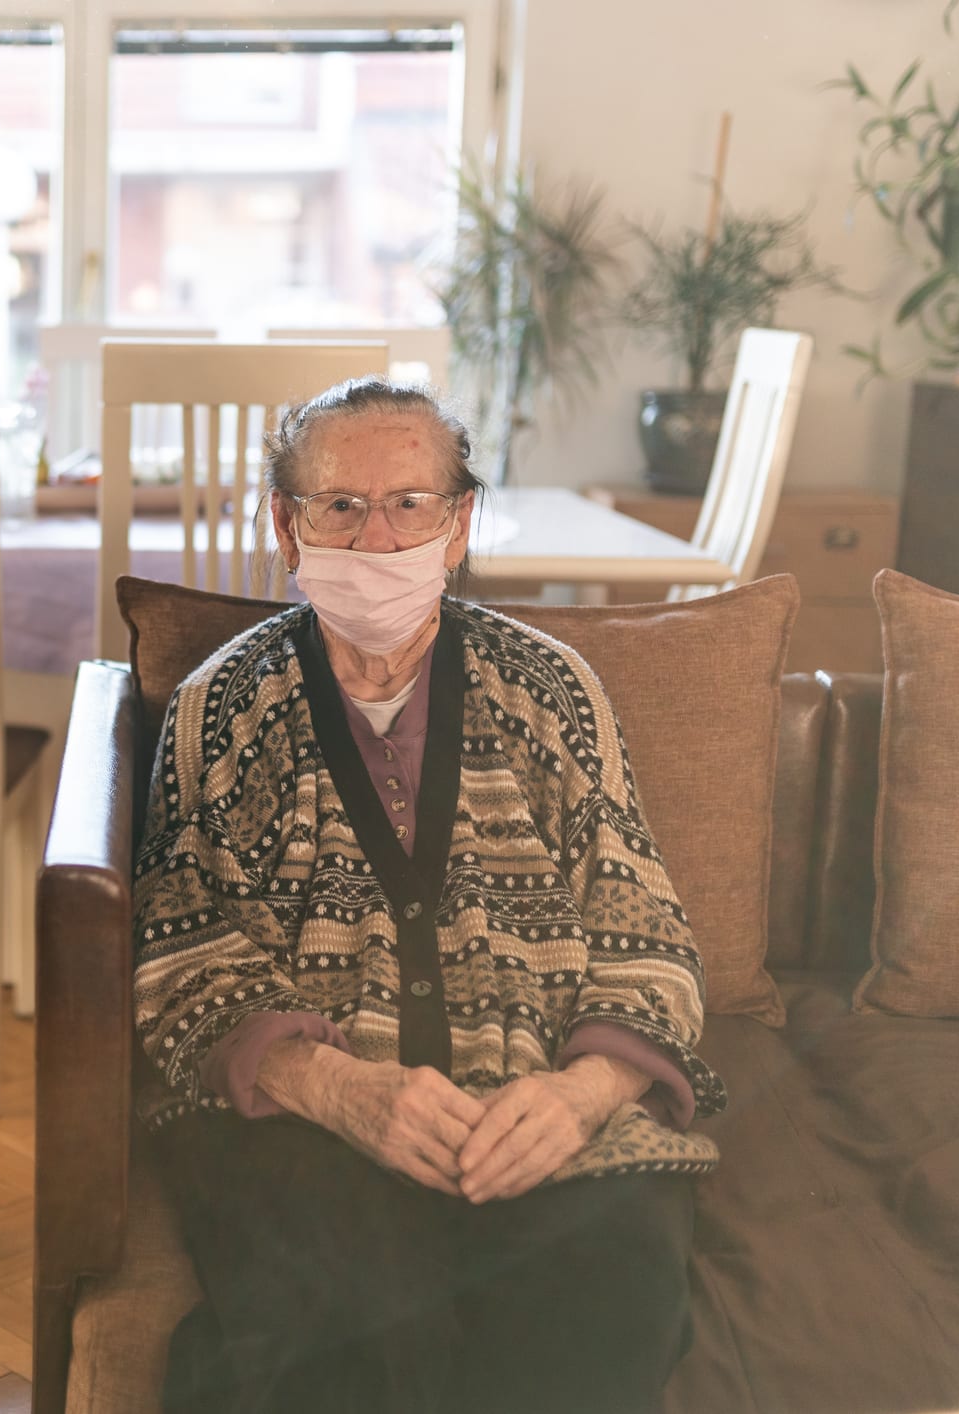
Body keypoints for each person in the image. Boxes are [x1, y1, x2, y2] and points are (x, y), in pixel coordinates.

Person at [132, 378, 725, 1414]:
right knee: (335, 1337)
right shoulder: (218, 710)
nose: (377, 536)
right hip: (309, 1126)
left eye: (411, 503)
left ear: (457, 528)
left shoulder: (554, 691)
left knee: (610, 1304)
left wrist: (580, 1094)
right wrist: (336, 1086)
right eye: (341, 506)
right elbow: (183, 954)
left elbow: (648, 933)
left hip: (539, 1103)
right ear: (288, 523)